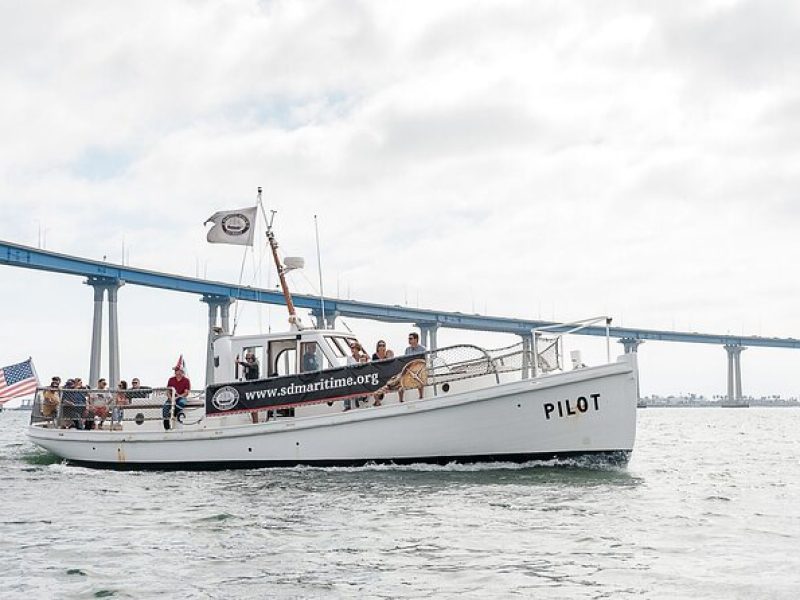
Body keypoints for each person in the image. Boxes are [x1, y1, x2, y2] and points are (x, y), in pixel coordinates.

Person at [163, 366, 191, 430]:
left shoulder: (186, 380)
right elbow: (167, 391)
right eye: (176, 371)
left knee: (182, 403)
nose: (177, 372)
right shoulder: (171, 379)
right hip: (171, 397)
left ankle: (174, 414)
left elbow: (186, 393)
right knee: (165, 407)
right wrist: (171, 399)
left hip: (181, 397)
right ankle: (166, 426)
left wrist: (178, 397)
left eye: (179, 371)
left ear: (182, 372)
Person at [344, 342, 369, 411]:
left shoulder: (363, 357)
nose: (352, 349)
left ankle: (361, 398)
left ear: (357, 349)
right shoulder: (349, 358)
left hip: (362, 377)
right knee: (346, 385)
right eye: (351, 348)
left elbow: (368, 366)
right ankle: (347, 405)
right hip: (353, 377)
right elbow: (349, 368)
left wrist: (367, 359)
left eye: (353, 348)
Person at [371, 341, 394, 406]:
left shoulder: (387, 354)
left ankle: (378, 400)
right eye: (380, 345)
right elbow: (374, 365)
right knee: (376, 387)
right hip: (377, 375)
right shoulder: (374, 355)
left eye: (383, 345)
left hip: (386, 374)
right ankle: (377, 401)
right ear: (377, 347)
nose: (382, 347)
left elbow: (390, 362)